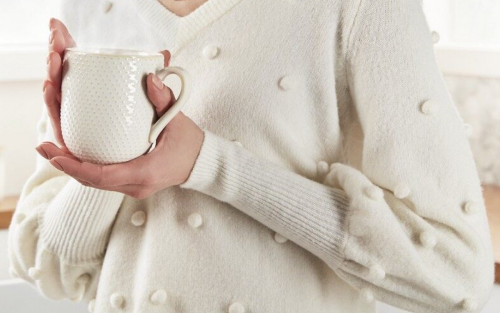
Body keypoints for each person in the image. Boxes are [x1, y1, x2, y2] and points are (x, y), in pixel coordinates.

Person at [8, 0, 495, 312]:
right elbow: (52, 271)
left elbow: (455, 275)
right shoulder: (95, 7)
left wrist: (213, 166)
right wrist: (105, 159)